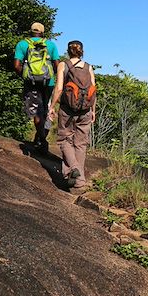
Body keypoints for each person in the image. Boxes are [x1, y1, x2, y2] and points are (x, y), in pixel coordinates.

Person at [47, 40, 96, 194]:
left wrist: (52, 106)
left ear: (68, 51)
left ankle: (73, 168)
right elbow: (93, 90)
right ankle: (79, 182)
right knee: (80, 144)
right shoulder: (89, 67)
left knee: (64, 140)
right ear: (82, 51)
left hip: (68, 110)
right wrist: (93, 110)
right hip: (85, 110)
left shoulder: (64, 65)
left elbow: (59, 88)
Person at [14, 22, 59, 152]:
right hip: (48, 83)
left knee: (37, 111)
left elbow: (17, 65)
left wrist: (27, 76)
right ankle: (40, 138)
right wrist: (49, 75)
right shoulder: (50, 45)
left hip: (31, 83)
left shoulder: (22, 44)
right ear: (43, 32)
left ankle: (41, 139)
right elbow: (57, 65)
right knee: (46, 109)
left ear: (31, 31)